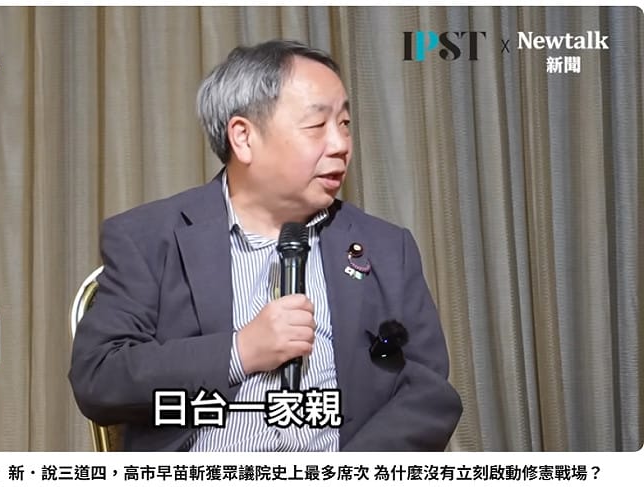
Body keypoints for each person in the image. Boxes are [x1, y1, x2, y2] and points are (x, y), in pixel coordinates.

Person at [69, 39, 462, 451]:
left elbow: (429, 392)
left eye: (345, 124)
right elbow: (99, 377)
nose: (341, 145)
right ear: (243, 137)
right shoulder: (149, 238)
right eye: (317, 125)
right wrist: (241, 350)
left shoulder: (386, 248)